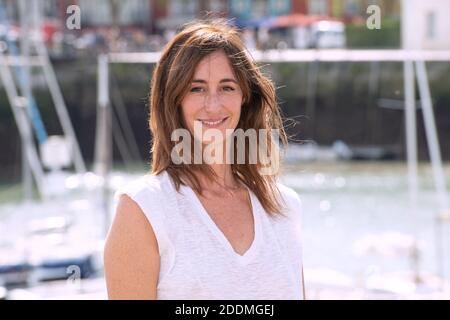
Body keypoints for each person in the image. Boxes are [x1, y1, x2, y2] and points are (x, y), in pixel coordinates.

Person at [104, 18, 305, 300]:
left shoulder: (285, 206)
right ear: (174, 100)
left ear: (245, 98)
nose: (213, 105)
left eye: (227, 87)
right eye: (196, 88)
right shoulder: (143, 209)